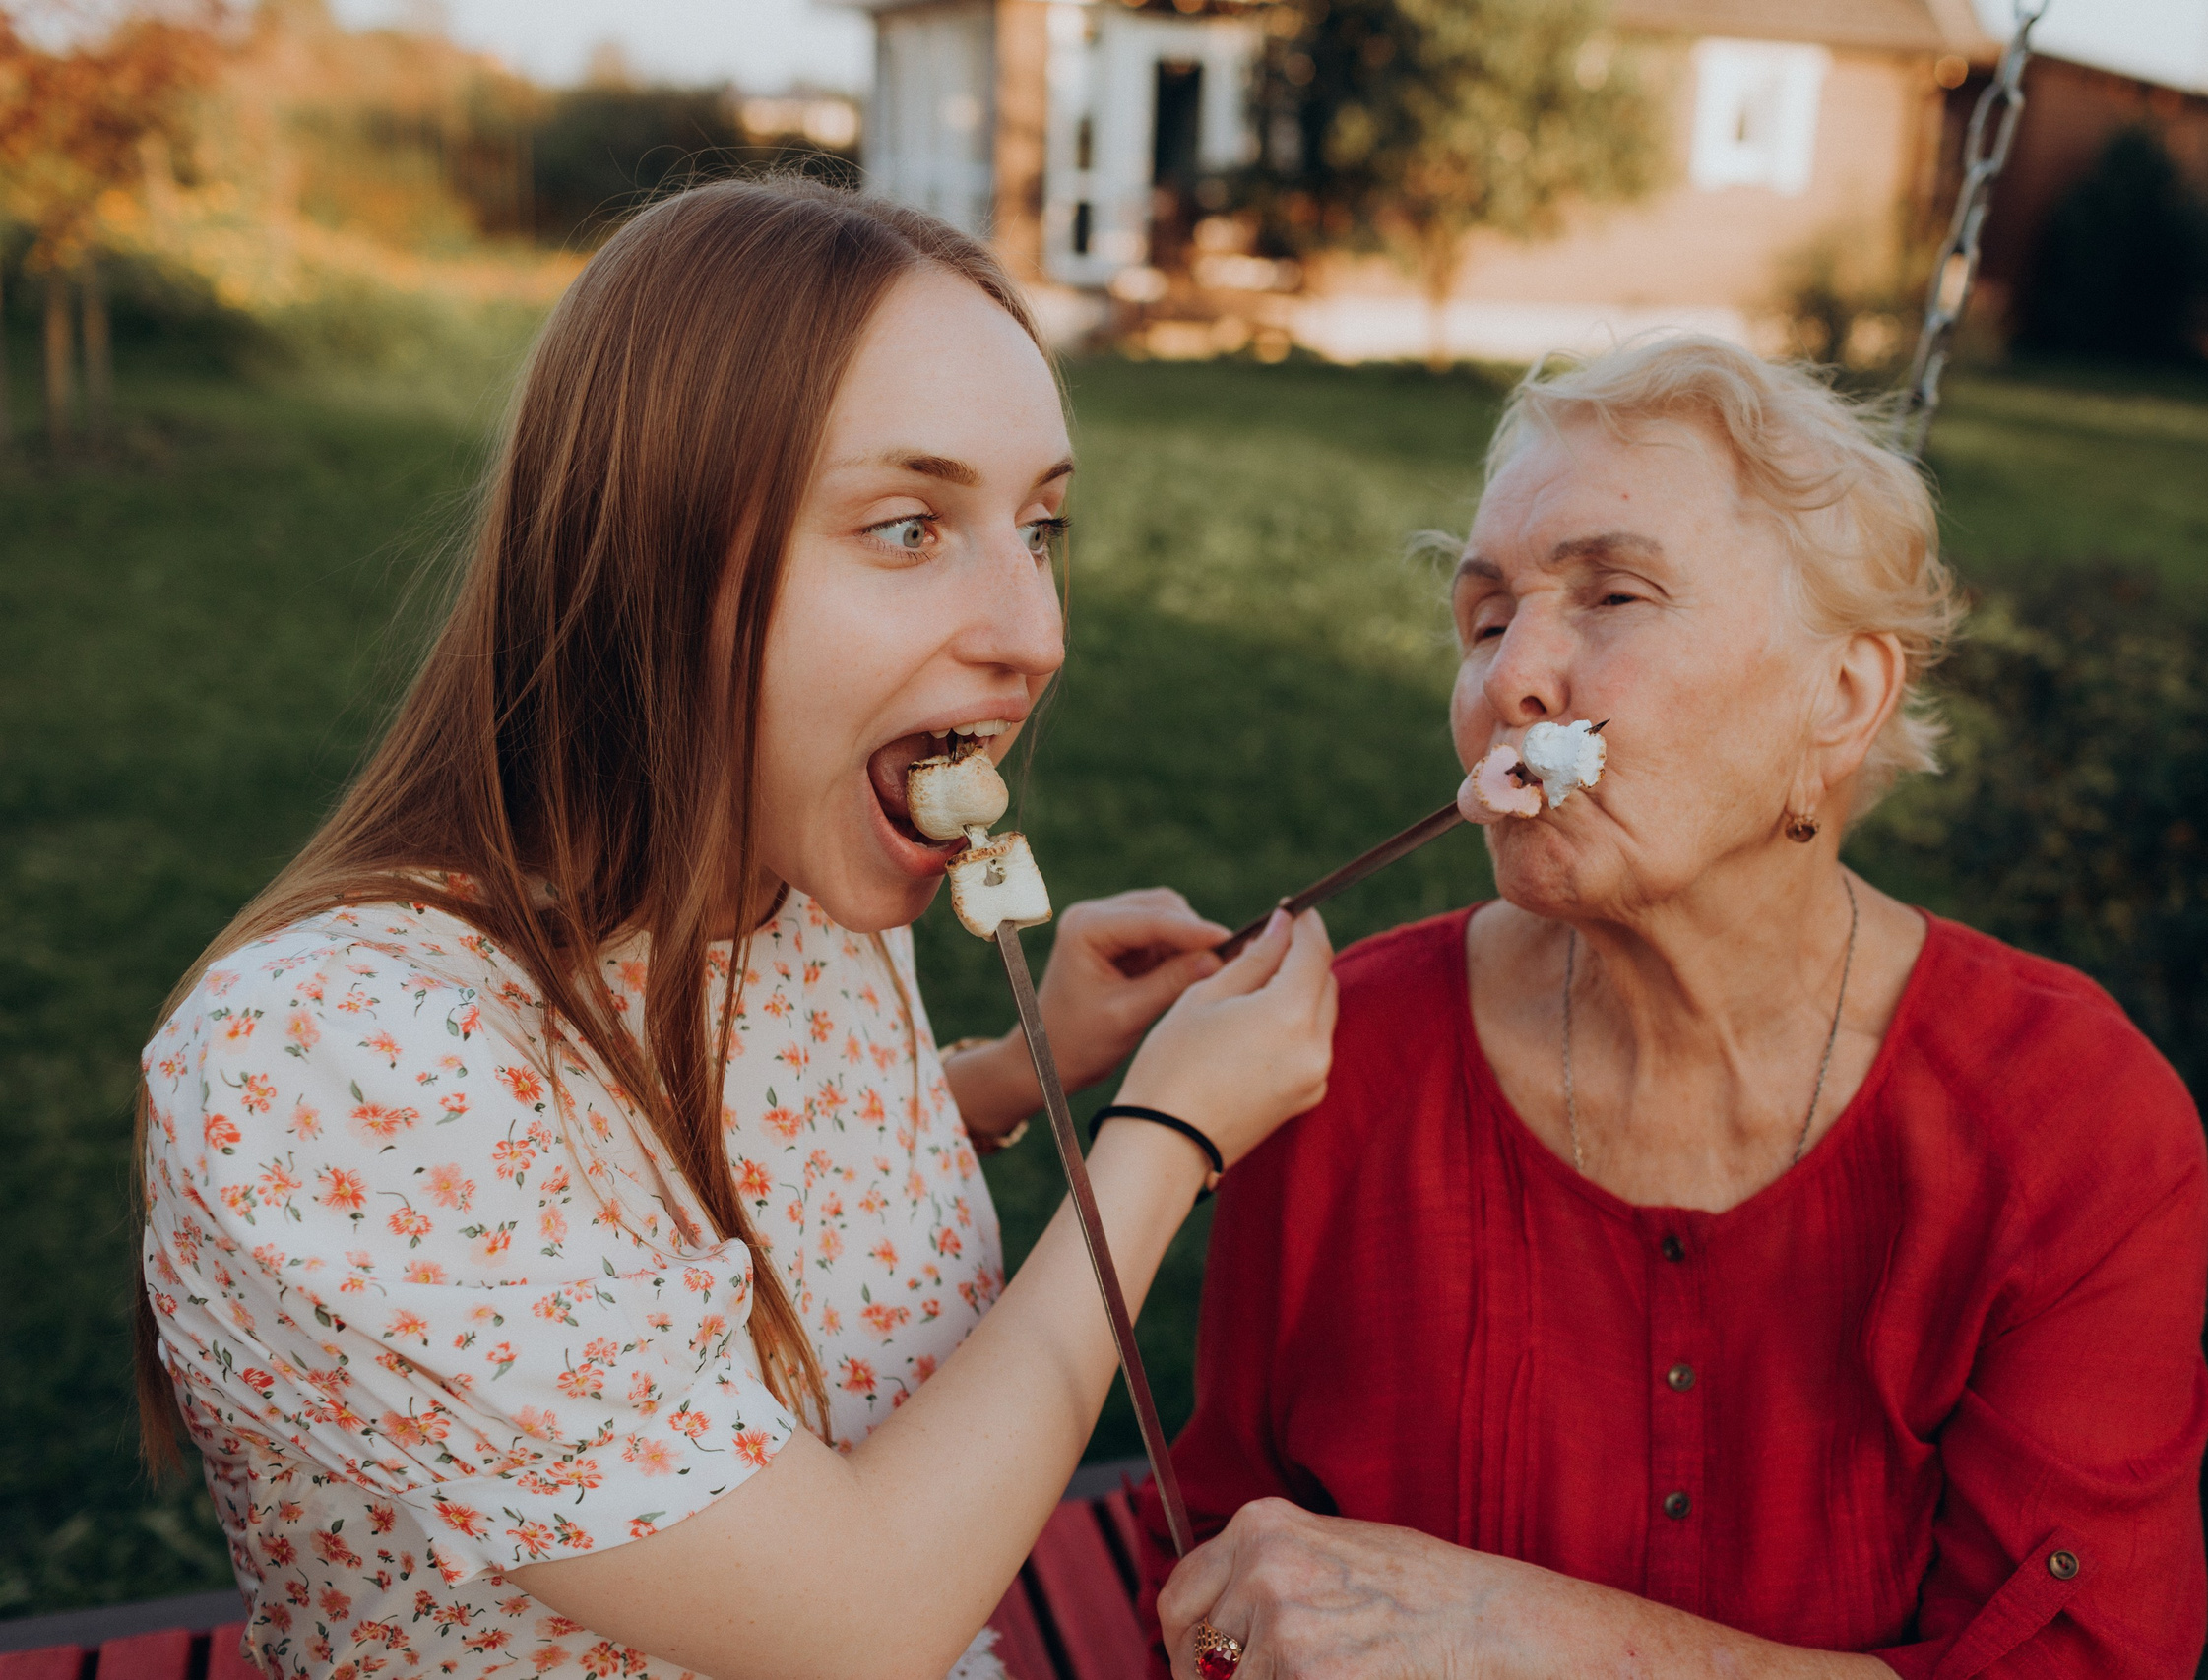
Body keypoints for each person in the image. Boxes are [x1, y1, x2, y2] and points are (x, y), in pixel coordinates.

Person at [134, 177, 1339, 1680]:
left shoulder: (799, 884)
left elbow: (680, 1193)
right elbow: (856, 1617)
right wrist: (1165, 1139)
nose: (1037, 633)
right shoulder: (325, 1065)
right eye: (908, 526)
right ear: (650, 550)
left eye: (1039, 527)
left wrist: (1010, 1076)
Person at [1139, 337, 2208, 1679]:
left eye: (1615, 596)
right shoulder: (1329, 1063)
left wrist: (1518, 1638)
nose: (1509, 681)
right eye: (1484, 621)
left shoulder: (2066, 1119)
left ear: (1843, 693)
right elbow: (1217, 1589)